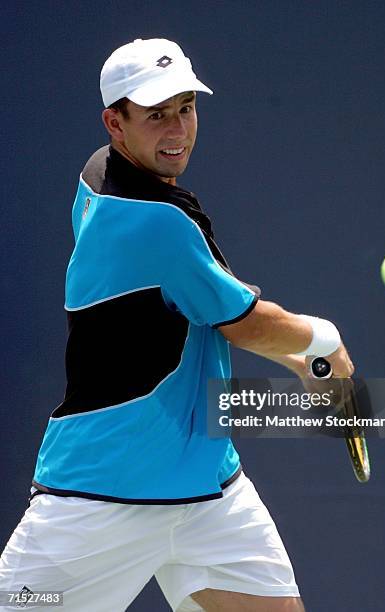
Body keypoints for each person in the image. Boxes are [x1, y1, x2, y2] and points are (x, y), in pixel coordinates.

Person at [0, 39, 354, 612]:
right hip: (100, 498)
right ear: (115, 121)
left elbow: (188, 315)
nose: (178, 129)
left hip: (206, 489)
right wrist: (323, 342)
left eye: (186, 108)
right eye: (156, 114)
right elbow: (243, 324)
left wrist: (294, 361)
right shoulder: (156, 223)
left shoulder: (97, 174)